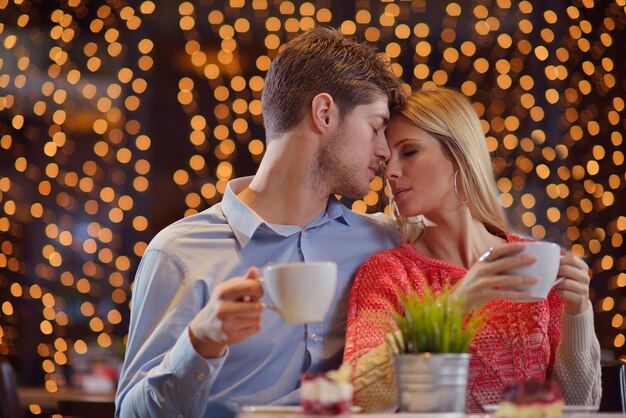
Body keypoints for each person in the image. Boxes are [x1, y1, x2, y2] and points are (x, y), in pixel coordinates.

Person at [115, 27, 406, 417]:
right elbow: (130, 413)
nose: (385, 150)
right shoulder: (179, 253)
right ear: (324, 114)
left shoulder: (384, 243)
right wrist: (200, 343)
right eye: (375, 127)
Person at [343, 87, 602, 413]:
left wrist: (578, 312)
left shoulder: (536, 262)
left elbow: (581, 406)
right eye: (386, 162)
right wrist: (452, 310)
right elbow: (358, 398)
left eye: (409, 152)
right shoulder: (391, 273)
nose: (391, 172)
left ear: (458, 155)